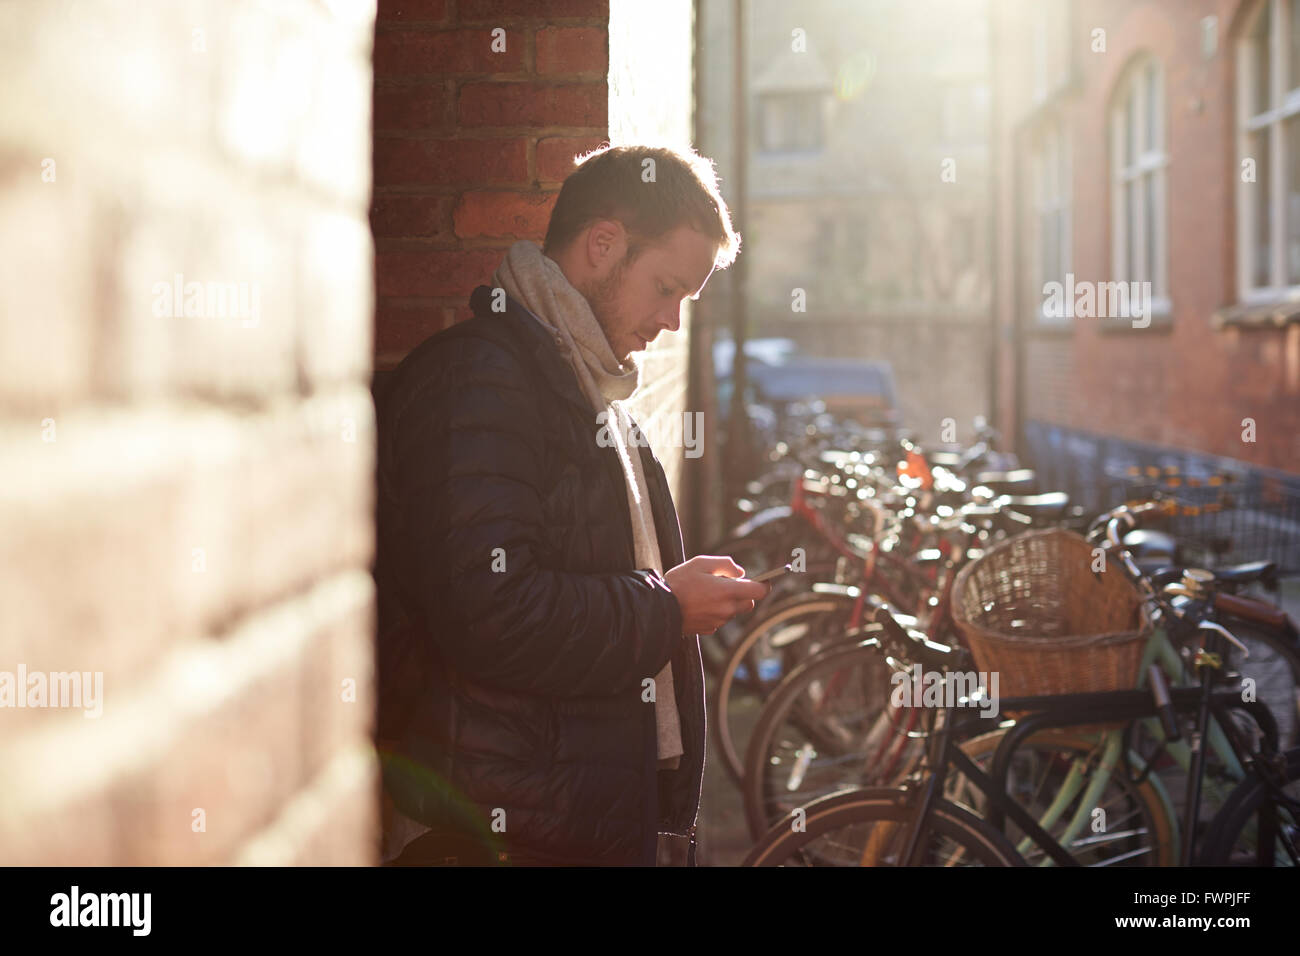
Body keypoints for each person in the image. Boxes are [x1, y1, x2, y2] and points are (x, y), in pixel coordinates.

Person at [374, 143, 769, 866]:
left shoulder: (593, 388)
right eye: (666, 288)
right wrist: (664, 609)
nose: (673, 322)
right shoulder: (480, 380)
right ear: (602, 245)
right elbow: (492, 610)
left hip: (564, 819)